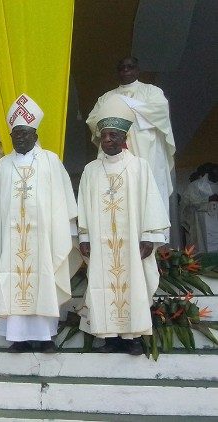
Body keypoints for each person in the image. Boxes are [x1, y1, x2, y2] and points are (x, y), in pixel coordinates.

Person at [0, 94, 78, 353]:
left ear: (35, 134)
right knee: (15, 280)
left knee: (43, 279)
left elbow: (62, 202)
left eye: (25, 134)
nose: (20, 139)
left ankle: (46, 337)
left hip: (43, 239)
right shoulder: (3, 164)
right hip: (12, 238)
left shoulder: (50, 161)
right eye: (16, 135)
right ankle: (18, 337)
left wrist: (65, 231)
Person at [77, 95, 170, 355]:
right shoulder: (90, 170)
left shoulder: (139, 167)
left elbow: (151, 201)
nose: (107, 140)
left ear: (123, 137)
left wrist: (149, 235)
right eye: (104, 135)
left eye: (113, 135)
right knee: (102, 284)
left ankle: (133, 339)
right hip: (100, 242)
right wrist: (83, 236)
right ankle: (110, 338)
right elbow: (83, 205)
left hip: (133, 242)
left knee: (134, 284)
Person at [86, 57, 175, 233]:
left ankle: (155, 241)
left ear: (137, 69)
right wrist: (127, 114)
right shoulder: (106, 97)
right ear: (117, 71)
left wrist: (124, 109)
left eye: (130, 67)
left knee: (149, 194)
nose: (126, 70)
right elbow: (93, 120)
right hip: (114, 158)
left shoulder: (152, 91)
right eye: (122, 67)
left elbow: (160, 112)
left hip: (147, 153)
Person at [182, 163, 218, 253]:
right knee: (203, 249)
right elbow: (187, 204)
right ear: (208, 173)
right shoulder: (195, 186)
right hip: (200, 224)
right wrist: (208, 199)